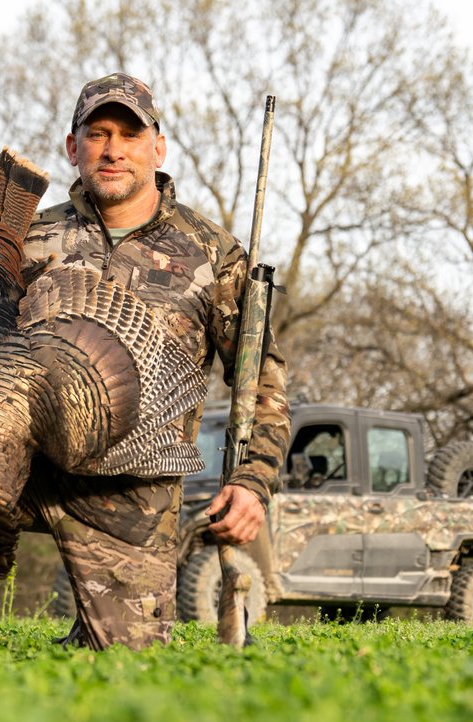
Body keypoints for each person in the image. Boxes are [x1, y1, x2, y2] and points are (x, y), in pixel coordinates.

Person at [20, 72, 291, 649]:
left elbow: (261, 382)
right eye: (97, 134)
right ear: (73, 148)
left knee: (125, 662)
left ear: (157, 147)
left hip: (134, 490)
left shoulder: (210, 253)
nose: (113, 150)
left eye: (129, 134)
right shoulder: (27, 242)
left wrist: (253, 481)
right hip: (25, 467)